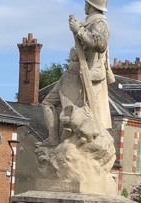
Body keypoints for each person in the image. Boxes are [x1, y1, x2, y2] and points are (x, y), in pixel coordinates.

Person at [41, 0, 115, 146]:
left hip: (84, 75)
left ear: (91, 5)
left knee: (73, 113)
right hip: (74, 72)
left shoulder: (99, 23)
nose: (84, 5)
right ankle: (54, 139)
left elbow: (100, 45)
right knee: (48, 102)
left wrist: (78, 30)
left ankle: (66, 140)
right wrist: (79, 27)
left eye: (86, 3)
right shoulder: (88, 23)